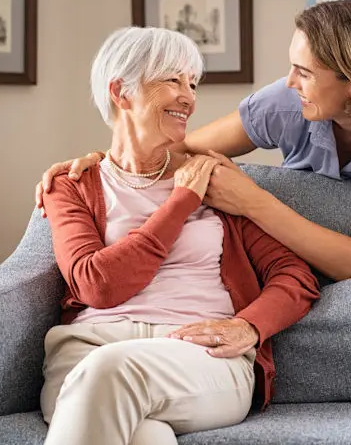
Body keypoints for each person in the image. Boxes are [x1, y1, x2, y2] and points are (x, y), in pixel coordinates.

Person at [37, 0, 351, 282]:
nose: (289, 81)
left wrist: (251, 200)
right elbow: (176, 151)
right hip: (284, 270)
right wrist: (103, 161)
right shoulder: (287, 103)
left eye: (305, 72)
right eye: (291, 66)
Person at [39, 26, 320, 445]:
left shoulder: (217, 179)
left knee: (111, 372)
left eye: (192, 83)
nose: (189, 96)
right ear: (121, 91)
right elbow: (97, 285)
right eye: (172, 80)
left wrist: (248, 326)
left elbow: (295, 276)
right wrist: (181, 203)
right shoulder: (73, 184)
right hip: (89, 348)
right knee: (146, 436)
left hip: (198, 354)